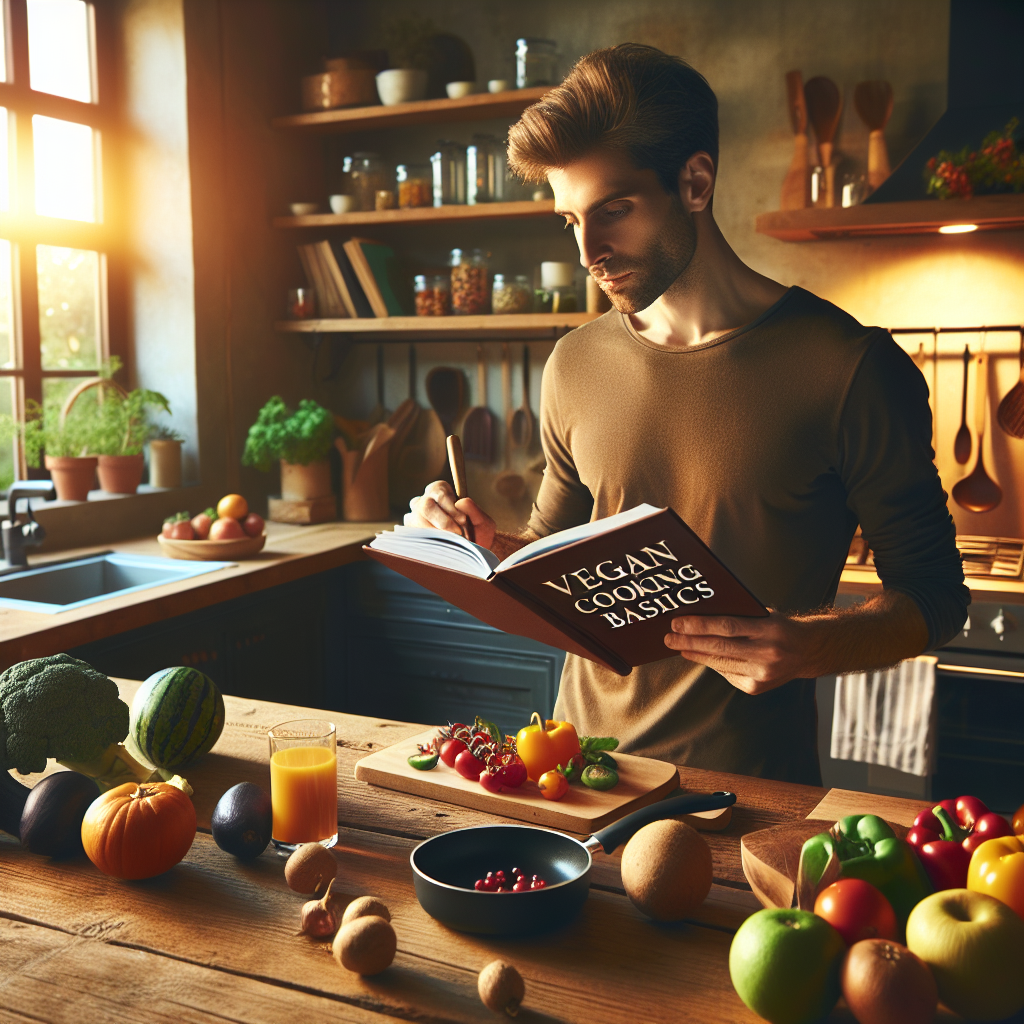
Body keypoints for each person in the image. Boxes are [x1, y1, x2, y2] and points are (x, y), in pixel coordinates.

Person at [404, 44, 968, 784]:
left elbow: (936, 597)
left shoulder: (849, 369)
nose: (589, 252)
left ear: (695, 182)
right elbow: (550, 556)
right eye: (569, 221)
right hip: (573, 774)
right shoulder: (573, 364)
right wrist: (481, 547)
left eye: (613, 211)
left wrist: (807, 645)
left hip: (748, 799)